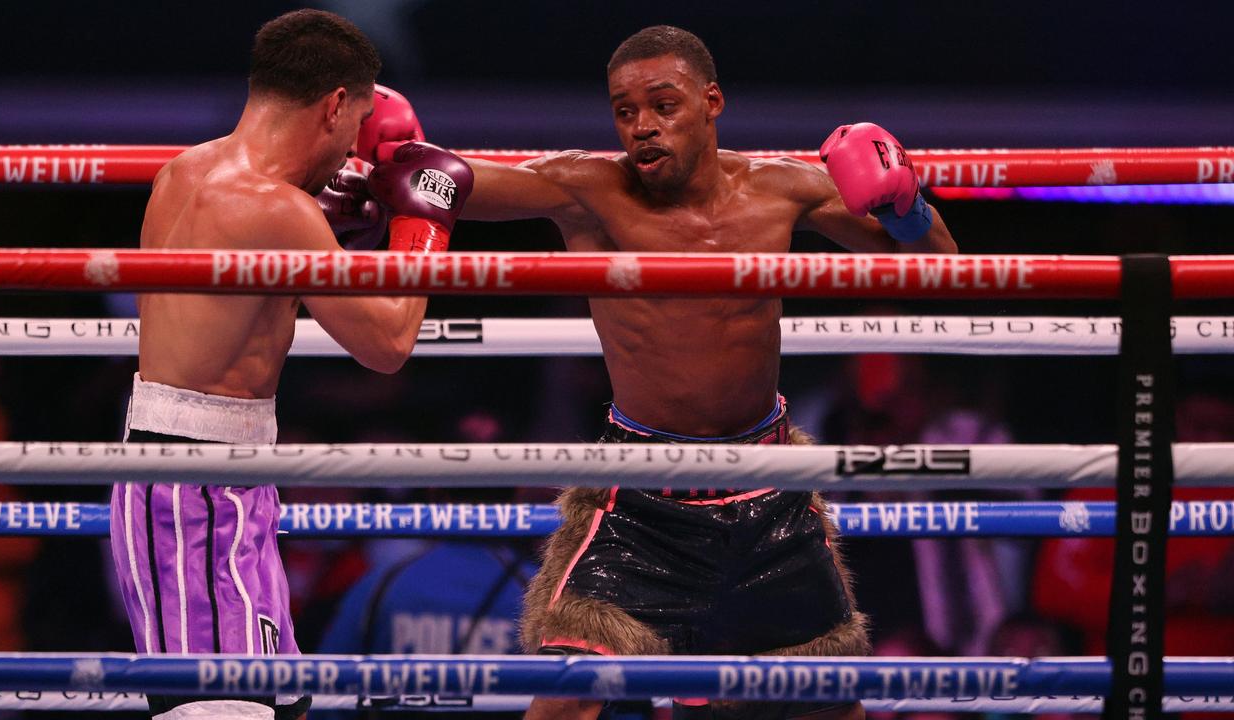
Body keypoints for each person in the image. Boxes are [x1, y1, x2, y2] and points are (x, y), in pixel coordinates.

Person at [459, 25, 957, 720]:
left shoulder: (779, 189)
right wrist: (395, 168)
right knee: (567, 698)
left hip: (768, 490)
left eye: (663, 105)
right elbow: (458, 186)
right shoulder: (588, 187)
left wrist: (904, 203)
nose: (642, 127)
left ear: (711, 102)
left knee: (831, 706)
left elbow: (937, 265)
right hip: (639, 499)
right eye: (625, 111)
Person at [108, 10, 472, 720]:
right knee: (225, 713)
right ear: (337, 104)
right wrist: (421, 221)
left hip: (205, 478)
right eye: (357, 126)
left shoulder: (182, 173)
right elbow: (389, 343)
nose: (352, 149)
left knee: (279, 702)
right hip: (199, 491)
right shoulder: (280, 209)